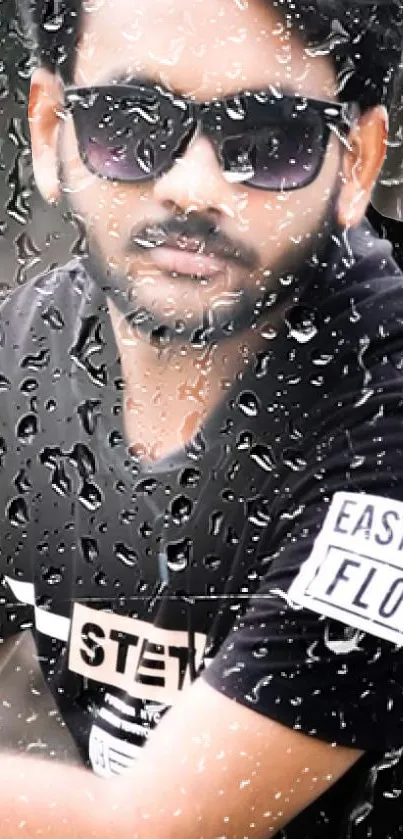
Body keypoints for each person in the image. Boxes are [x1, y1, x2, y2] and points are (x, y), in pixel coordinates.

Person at [1, 0, 403, 835]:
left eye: (269, 140)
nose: (190, 186)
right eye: (128, 124)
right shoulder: (23, 354)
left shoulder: (383, 409)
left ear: (356, 165)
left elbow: (158, 827)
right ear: (49, 132)